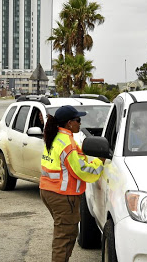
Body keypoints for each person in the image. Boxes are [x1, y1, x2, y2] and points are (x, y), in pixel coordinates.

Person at [40, 105, 105, 262]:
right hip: (62, 195)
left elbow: (75, 159)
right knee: (64, 237)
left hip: (49, 191)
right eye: (78, 120)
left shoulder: (56, 137)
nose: (80, 123)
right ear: (69, 123)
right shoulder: (66, 143)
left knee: (69, 233)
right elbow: (81, 171)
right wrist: (99, 164)